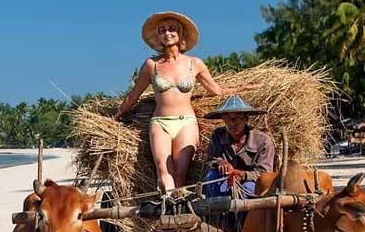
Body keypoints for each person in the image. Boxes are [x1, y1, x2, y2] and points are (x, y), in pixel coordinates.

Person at [112, 11, 257, 192]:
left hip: (186, 122)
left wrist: (244, 89)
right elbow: (133, 95)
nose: (167, 33)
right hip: (160, 123)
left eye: (172, 29)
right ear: (158, 36)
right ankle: (168, 204)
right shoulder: (151, 65)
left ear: (180, 33)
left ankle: (178, 210)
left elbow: (216, 90)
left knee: (180, 174)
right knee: (164, 171)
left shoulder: (194, 63)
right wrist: (116, 116)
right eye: (162, 30)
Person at [202, 96, 276, 198]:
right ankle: (212, 213)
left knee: (248, 188)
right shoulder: (218, 135)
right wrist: (220, 163)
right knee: (211, 177)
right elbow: (208, 162)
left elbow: (265, 174)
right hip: (225, 181)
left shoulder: (262, 141)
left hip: (250, 183)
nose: (231, 123)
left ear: (246, 119)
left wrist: (242, 174)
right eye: (227, 118)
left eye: (236, 118)